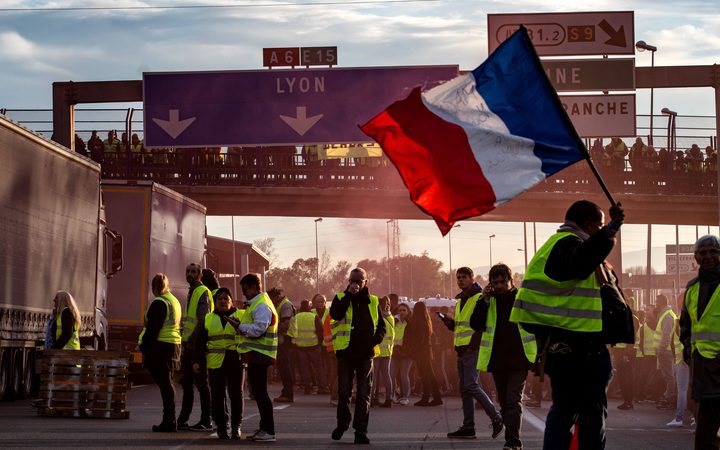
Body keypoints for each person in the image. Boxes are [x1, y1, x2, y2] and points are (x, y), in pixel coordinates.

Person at [510, 199, 630, 450]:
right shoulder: (571, 245)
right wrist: (610, 232)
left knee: (564, 410)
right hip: (581, 346)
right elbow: (581, 262)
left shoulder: (555, 246)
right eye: (598, 225)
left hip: (565, 344)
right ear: (589, 225)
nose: (600, 229)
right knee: (590, 413)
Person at [470, 264, 537, 450]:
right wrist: (483, 300)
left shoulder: (521, 297)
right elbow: (475, 323)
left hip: (520, 358)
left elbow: (535, 322)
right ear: (490, 283)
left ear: (511, 280)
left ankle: (513, 442)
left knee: (513, 400)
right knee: (504, 402)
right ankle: (510, 437)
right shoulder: (487, 300)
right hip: (497, 359)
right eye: (495, 282)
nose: (499, 286)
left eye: (503, 282)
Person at [439, 267, 503, 440]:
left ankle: (496, 417)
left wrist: (472, 346)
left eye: (464, 277)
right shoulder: (461, 300)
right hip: (461, 348)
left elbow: (480, 323)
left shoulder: (478, 297)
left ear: (471, 278)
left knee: (471, 385)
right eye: (458, 277)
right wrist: (450, 323)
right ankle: (468, 427)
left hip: (471, 348)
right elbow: (461, 326)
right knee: (465, 389)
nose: (460, 280)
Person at [329, 267, 386, 445]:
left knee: (363, 395)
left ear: (365, 282)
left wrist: (373, 341)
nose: (355, 284)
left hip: (365, 355)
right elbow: (335, 314)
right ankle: (342, 424)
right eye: (352, 281)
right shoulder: (340, 298)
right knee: (344, 392)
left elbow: (382, 327)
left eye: (358, 281)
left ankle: (360, 431)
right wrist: (348, 296)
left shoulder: (373, 301)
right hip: (345, 353)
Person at [679, 235, 720, 449]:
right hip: (702, 371)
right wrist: (689, 353)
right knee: (704, 434)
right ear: (695, 257)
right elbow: (685, 326)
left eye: (714, 251)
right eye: (703, 253)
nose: (708, 257)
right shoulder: (692, 288)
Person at [194, 287, 244, 440]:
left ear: (232, 302)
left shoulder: (240, 315)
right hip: (216, 363)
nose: (223, 301)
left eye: (226, 299)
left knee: (236, 395)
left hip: (236, 361)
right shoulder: (208, 318)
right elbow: (200, 342)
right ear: (215, 302)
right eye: (219, 299)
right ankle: (221, 427)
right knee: (217, 396)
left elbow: (249, 333)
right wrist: (197, 360)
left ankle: (236, 427)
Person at [237, 273, 279, 442]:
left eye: (245, 289)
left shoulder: (261, 305)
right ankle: (264, 428)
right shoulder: (259, 303)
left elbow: (258, 329)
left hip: (260, 354)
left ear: (254, 287)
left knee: (260, 393)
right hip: (259, 354)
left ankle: (268, 430)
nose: (243, 292)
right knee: (259, 392)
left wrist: (240, 327)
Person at [138, 273, 181, 432]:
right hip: (172, 345)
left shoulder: (159, 302)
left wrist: (144, 347)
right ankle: (170, 420)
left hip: (161, 347)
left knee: (165, 384)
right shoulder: (173, 300)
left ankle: (169, 420)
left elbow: (152, 329)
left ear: (154, 287)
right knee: (167, 383)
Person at [177, 263, 214, 431]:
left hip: (198, 346)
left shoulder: (202, 291)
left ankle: (206, 420)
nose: (189, 274)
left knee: (202, 385)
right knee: (187, 384)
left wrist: (193, 342)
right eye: (187, 271)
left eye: (193, 272)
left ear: (199, 275)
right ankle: (183, 419)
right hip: (189, 345)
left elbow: (202, 320)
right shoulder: (192, 291)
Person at [404, 301, 443, 407]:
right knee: (429, 375)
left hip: (421, 352)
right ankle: (436, 397)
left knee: (425, 376)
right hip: (426, 352)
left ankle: (426, 398)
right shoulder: (426, 321)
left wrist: (413, 350)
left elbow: (418, 339)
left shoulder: (418, 322)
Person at [287, 299, 326, 394]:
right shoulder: (314, 317)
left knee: (304, 369)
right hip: (314, 346)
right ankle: (322, 387)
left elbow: (291, 333)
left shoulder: (295, 317)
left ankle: (307, 388)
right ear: (309, 307)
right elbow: (320, 331)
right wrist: (319, 343)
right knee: (318, 368)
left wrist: (294, 345)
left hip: (300, 347)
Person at [268, 287, 295, 403]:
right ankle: (286, 392)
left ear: (276, 297)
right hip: (283, 339)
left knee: (285, 368)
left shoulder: (285, 305)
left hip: (286, 339)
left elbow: (285, 324)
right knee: (283, 367)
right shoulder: (281, 304)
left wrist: (270, 330)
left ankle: (288, 394)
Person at [654, 294, 679, 410]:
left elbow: (666, 335)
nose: (655, 304)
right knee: (669, 376)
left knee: (669, 377)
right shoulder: (667, 314)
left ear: (661, 303)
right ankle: (669, 398)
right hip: (666, 350)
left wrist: (661, 350)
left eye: (656, 302)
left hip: (665, 351)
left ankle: (669, 399)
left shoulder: (667, 316)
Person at [372, 296, 395, 408]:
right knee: (386, 375)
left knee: (374, 375)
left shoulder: (377, 318)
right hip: (388, 351)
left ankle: (372, 398)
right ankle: (389, 399)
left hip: (377, 350)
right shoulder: (391, 317)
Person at [390, 302, 413, 406]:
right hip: (395, 351)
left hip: (406, 353)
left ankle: (405, 397)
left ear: (408, 311)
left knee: (404, 375)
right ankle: (392, 394)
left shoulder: (410, 323)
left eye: (404, 310)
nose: (402, 312)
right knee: (391, 374)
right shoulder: (395, 321)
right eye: (400, 310)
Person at [312, 294, 334, 398]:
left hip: (329, 344)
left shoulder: (330, 312)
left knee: (330, 366)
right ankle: (322, 385)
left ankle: (329, 384)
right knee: (319, 367)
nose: (320, 304)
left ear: (325, 303)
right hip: (316, 344)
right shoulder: (311, 313)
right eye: (318, 302)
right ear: (314, 303)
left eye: (322, 301)